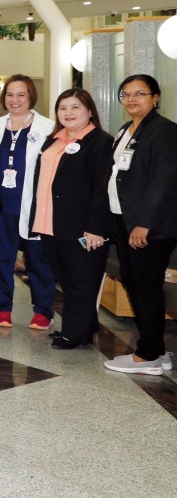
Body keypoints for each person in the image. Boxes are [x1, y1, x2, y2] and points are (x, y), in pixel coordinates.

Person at [104, 74, 177, 375]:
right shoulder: (126, 130)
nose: (132, 99)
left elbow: (164, 181)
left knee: (145, 285)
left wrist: (144, 224)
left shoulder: (164, 131)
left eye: (140, 94)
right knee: (135, 282)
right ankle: (157, 352)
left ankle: (148, 355)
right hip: (125, 218)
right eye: (126, 94)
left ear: (155, 98)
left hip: (149, 226)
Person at [30, 89, 113, 350]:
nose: (68, 113)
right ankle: (82, 327)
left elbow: (103, 189)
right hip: (50, 224)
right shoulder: (52, 141)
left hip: (82, 227)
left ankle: (74, 334)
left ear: (90, 111)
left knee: (81, 281)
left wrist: (95, 228)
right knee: (66, 279)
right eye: (63, 108)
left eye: (75, 107)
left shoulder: (100, 142)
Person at [0, 75, 56, 329]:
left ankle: (43, 310)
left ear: (31, 97)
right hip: (0, 207)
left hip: (34, 206)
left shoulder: (48, 128)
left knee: (38, 260)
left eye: (21, 95)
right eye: (10, 94)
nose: (14, 100)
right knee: (2, 259)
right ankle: (2, 307)